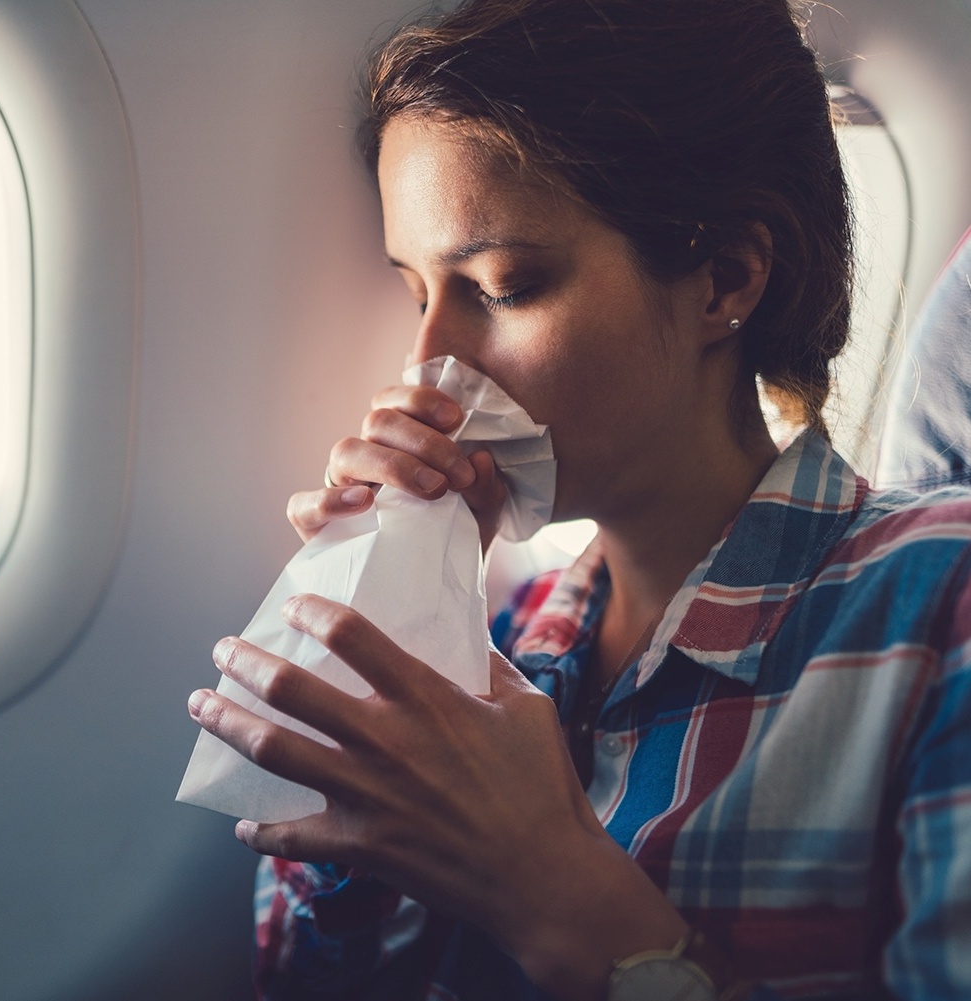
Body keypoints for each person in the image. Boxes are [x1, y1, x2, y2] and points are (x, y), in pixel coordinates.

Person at [185, 0, 971, 998]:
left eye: (504, 285)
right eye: (415, 291)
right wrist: (390, 608)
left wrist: (550, 885)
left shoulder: (937, 602)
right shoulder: (496, 644)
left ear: (725, 278)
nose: (424, 366)